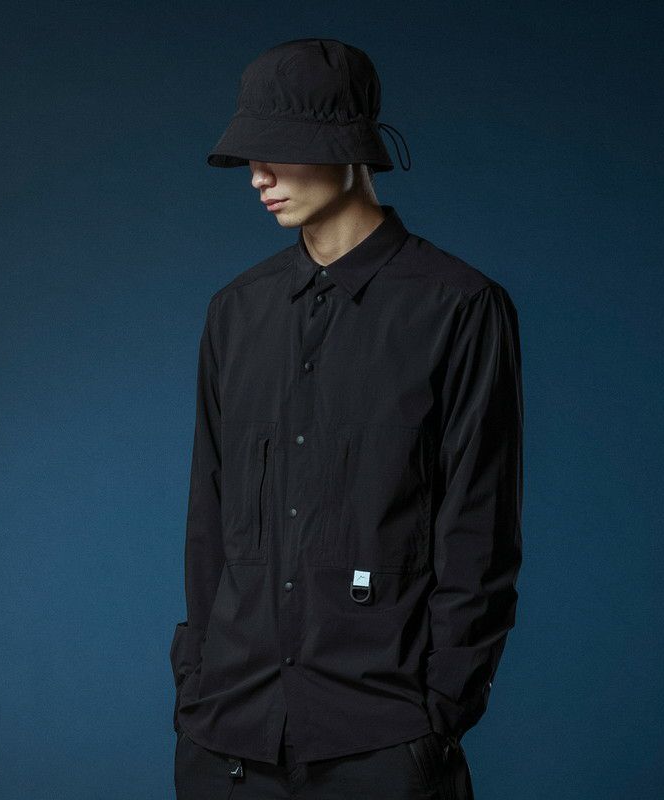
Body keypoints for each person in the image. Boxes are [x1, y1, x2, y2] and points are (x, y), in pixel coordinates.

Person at [170, 37, 523, 800]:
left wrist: (440, 710)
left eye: (278, 150)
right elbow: (209, 518)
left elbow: (479, 529)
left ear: (349, 149)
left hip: (382, 740)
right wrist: (194, 682)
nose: (258, 176)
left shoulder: (458, 307)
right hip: (228, 738)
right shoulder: (235, 313)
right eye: (250, 156)